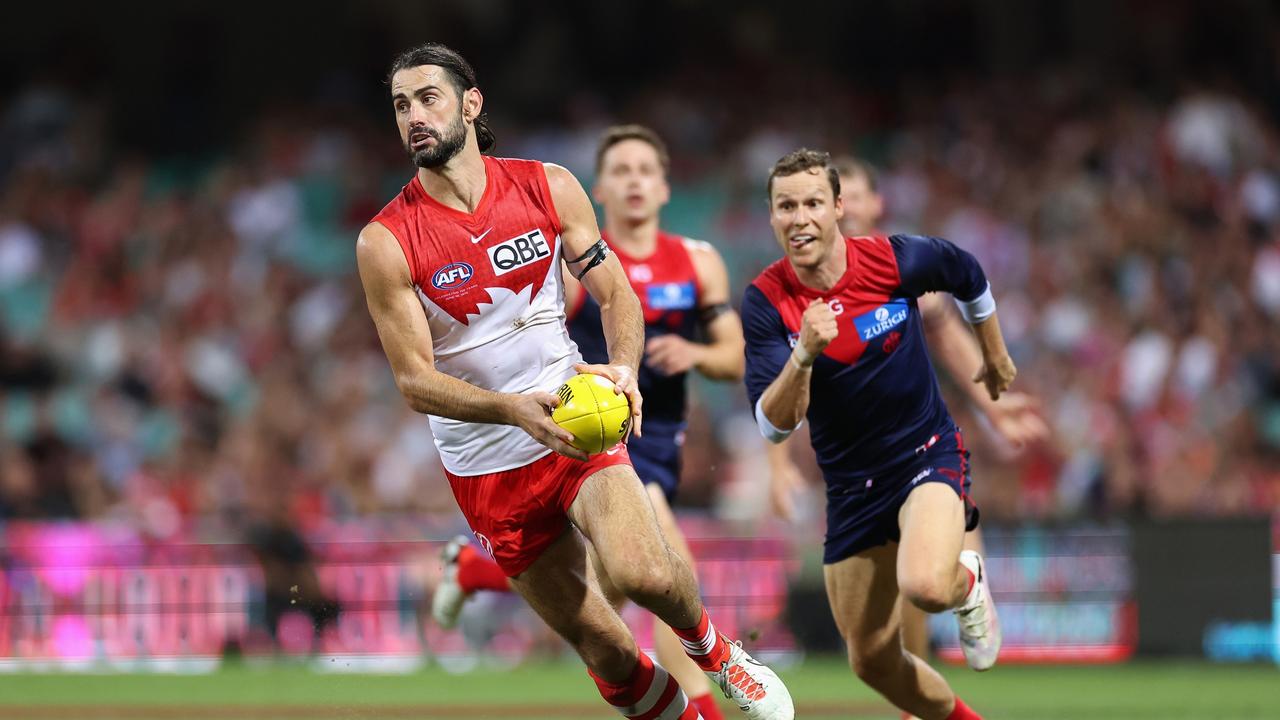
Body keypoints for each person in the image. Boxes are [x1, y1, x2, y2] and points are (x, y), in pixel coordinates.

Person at [356, 43, 792, 720]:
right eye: (401, 104)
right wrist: (510, 410)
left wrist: (621, 365)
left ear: (472, 104)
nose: (413, 115)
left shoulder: (547, 186)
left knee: (644, 572)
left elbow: (616, 294)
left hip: (576, 424)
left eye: (428, 98)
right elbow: (414, 382)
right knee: (605, 647)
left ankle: (719, 654)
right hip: (485, 467)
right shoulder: (386, 241)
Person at [431, 124, 746, 720]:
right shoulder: (575, 265)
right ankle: (708, 703)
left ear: (664, 186)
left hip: (660, 436)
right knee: (660, 572)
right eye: (620, 170)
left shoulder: (699, 262)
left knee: (611, 585)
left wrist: (695, 355)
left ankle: (474, 570)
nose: (633, 181)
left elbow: (733, 360)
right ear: (599, 187)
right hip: (593, 434)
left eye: (644, 170)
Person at [744, 149, 1014, 720]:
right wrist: (803, 356)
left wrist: (993, 352)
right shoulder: (767, 302)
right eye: (785, 206)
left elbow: (966, 271)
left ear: (839, 208)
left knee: (925, 587)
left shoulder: (894, 261)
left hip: (925, 455)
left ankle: (966, 581)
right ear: (771, 218)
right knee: (870, 660)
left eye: (813, 203)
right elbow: (772, 424)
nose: (800, 218)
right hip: (851, 492)